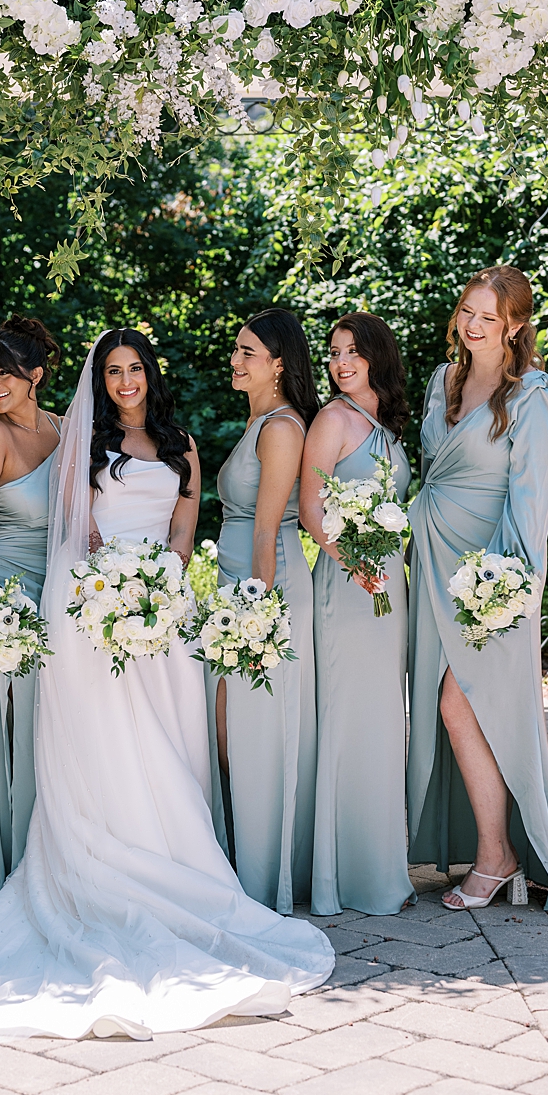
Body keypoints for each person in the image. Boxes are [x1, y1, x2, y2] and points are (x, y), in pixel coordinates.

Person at [0, 329, 334, 1039]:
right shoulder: (82, 446)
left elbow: (183, 532)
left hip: (163, 615)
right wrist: (107, 595)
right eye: (114, 371)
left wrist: (159, 588)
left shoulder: (182, 444)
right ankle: (99, 868)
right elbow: (73, 534)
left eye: (135, 369)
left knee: (173, 746)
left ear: (151, 375)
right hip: (93, 610)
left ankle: (181, 865)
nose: (125, 382)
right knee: (108, 751)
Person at [408, 267, 548, 911]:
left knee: (462, 703)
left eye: (488, 317)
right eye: (466, 312)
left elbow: (531, 502)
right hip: (433, 563)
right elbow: (429, 472)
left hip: (489, 575)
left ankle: (498, 855)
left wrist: (504, 588)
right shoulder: (442, 381)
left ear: (515, 325)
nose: (473, 326)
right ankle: (484, 848)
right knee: (443, 704)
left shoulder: (536, 394)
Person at [301, 311, 415, 915]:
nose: (340, 363)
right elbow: (309, 508)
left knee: (383, 718)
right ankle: (340, 875)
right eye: (334, 352)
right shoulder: (332, 419)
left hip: (389, 584)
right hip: (349, 583)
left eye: (352, 352)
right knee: (348, 716)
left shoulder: (388, 425)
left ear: (376, 356)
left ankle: (380, 868)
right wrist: (353, 563)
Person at [209, 309, 320, 912]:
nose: (235, 359)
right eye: (236, 349)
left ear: (278, 364)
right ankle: (242, 857)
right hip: (237, 585)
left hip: (264, 587)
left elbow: (268, 530)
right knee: (230, 731)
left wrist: (258, 613)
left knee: (248, 732)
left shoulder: (281, 428)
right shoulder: (256, 422)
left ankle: (262, 872)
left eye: (247, 352)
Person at [0, 317, 63, 891]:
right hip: (9, 598)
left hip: (61, 593)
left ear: (36, 377)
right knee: (14, 726)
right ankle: (15, 861)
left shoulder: (65, 428)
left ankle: (59, 851)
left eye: (5, 374)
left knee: (58, 724)